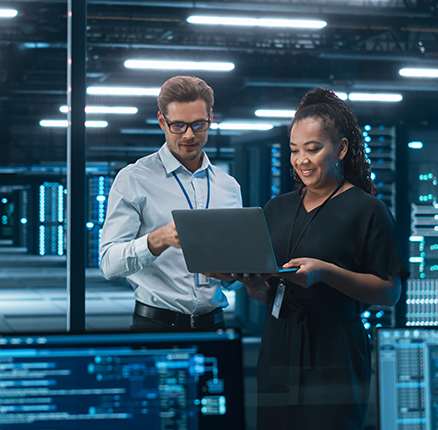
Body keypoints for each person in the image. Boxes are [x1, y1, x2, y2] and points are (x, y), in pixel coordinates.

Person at [234, 87, 409, 429]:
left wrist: (327, 273)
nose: (301, 160)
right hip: (278, 343)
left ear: (341, 149)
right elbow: (271, 288)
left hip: (335, 349)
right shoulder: (277, 208)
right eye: (294, 150)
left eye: (313, 149)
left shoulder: (367, 210)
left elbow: (390, 292)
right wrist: (256, 290)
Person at [99, 75, 243, 332]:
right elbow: (109, 264)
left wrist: (237, 273)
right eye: (178, 125)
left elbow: (234, 278)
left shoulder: (229, 186)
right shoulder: (134, 178)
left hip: (214, 325)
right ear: (161, 121)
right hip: (156, 326)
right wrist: (159, 239)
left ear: (210, 117)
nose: (189, 135)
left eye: (198, 125)